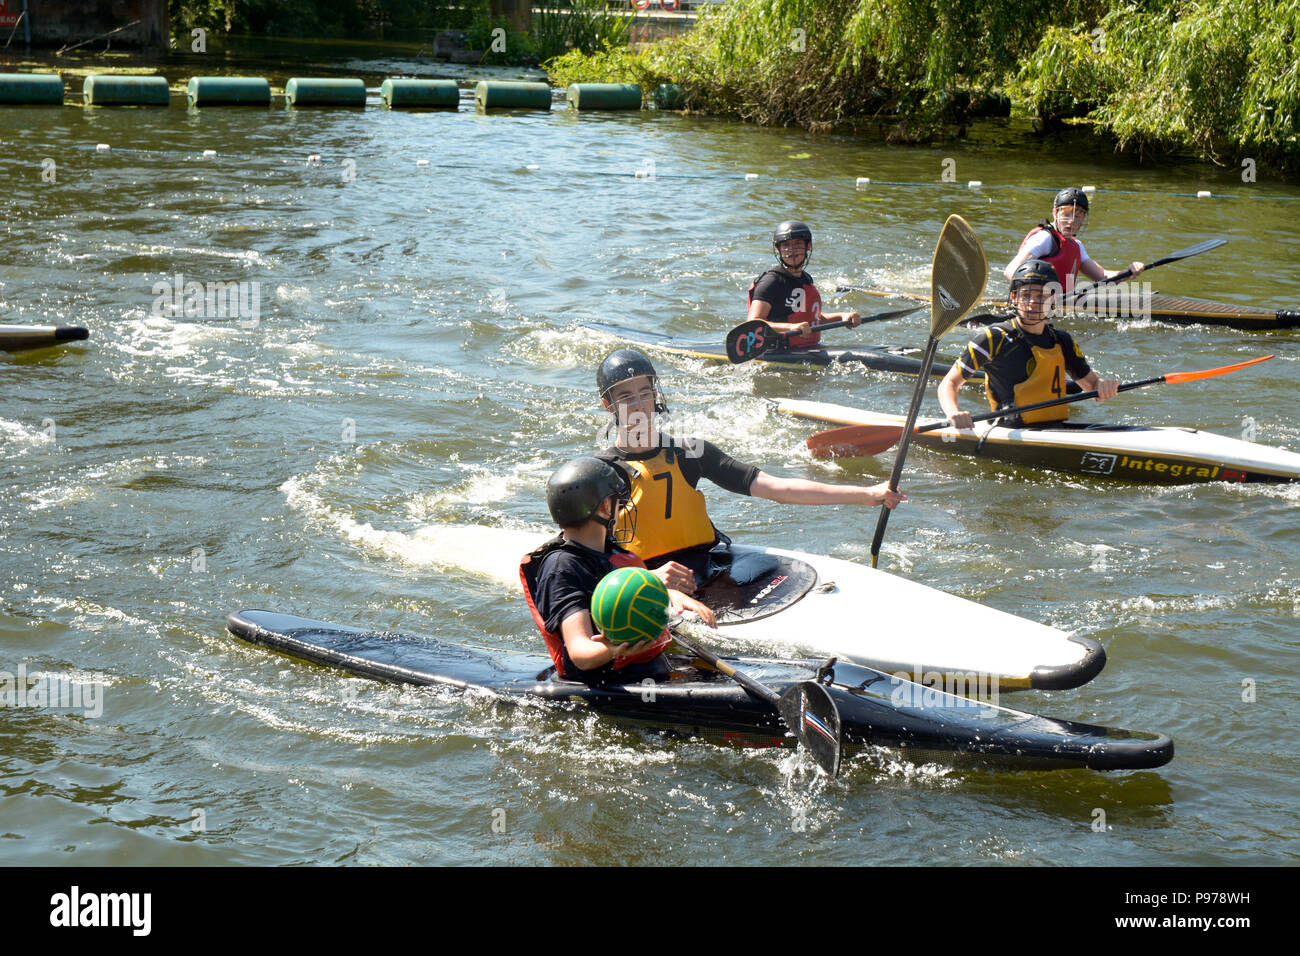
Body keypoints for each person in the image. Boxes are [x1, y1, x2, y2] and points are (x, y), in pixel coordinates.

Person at [593, 348, 906, 589]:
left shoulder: (689, 452)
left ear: (655, 396)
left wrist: (867, 495)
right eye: (626, 397)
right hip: (644, 579)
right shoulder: (602, 473)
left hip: (705, 566)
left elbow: (776, 488)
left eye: (644, 393)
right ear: (609, 405)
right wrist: (644, 579)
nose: (639, 405)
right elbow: (586, 555)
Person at [520, 456, 716, 684]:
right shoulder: (561, 568)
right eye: (617, 501)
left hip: (647, 667)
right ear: (605, 507)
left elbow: (617, 591)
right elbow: (580, 651)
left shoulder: (609, 551)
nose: (621, 508)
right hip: (609, 680)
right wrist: (616, 649)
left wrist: (668, 593)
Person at [938, 259, 1119, 430]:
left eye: (1042, 296)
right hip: (1008, 430)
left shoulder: (1062, 340)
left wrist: (1103, 387)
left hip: (1054, 429)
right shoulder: (993, 338)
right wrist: (953, 412)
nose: (1033, 302)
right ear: (1014, 298)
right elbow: (949, 383)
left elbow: (1092, 386)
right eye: (1026, 295)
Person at [1004, 187, 1144, 294]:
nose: (1071, 221)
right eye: (1066, 215)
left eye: (1077, 216)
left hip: (1058, 304)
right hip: (1035, 306)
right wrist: (1040, 296)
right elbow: (1011, 271)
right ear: (1055, 213)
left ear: (1083, 218)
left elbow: (1102, 277)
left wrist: (1128, 272)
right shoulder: (1044, 239)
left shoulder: (1077, 245)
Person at [746, 220, 862, 348]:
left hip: (807, 348)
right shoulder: (771, 282)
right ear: (778, 250)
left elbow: (812, 319)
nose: (792, 250)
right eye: (785, 245)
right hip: (778, 351)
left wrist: (842, 316)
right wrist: (791, 327)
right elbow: (753, 323)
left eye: (798, 244)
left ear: (809, 246)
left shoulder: (806, 279)